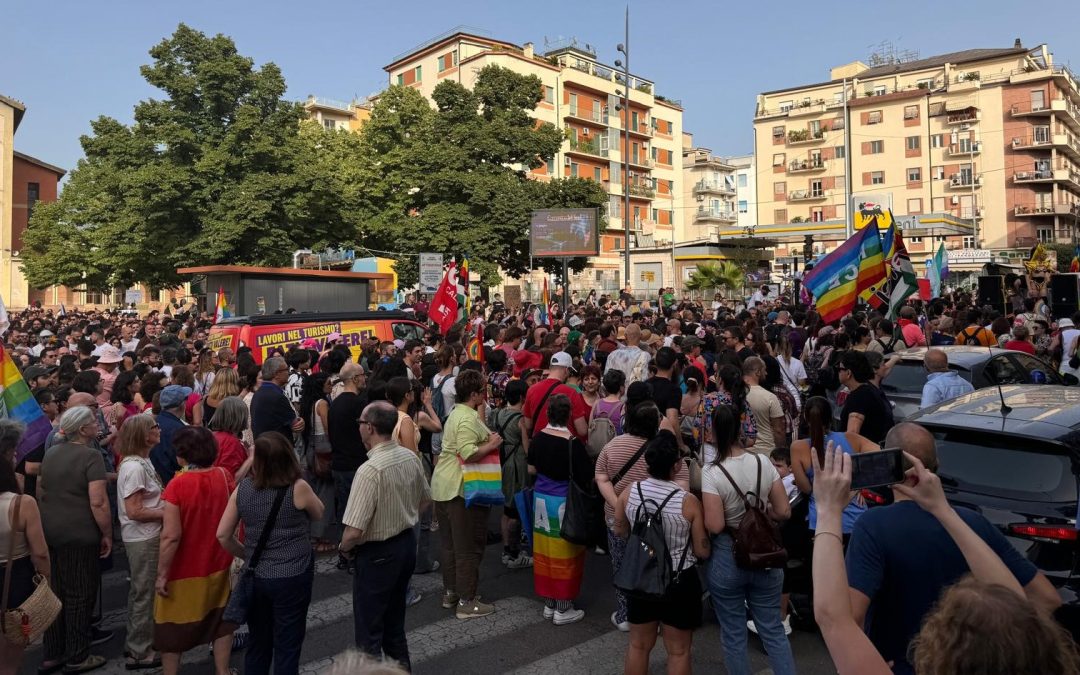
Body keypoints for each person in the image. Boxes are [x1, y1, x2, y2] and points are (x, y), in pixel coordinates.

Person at [815, 434, 1078, 675]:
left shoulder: (873, 525)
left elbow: (839, 619)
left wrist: (828, 510)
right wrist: (944, 511)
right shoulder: (975, 524)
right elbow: (1042, 599)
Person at [217, 431, 324, 675]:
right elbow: (319, 512)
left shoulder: (243, 489)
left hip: (257, 575)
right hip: (293, 573)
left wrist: (246, 554)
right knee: (288, 644)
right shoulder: (298, 488)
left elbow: (223, 535)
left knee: (259, 642)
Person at [701, 404, 795, 675]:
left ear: (714, 432)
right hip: (766, 553)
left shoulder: (712, 472)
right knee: (773, 630)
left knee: (733, 634)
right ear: (741, 429)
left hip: (728, 554)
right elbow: (783, 511)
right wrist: (762, 512)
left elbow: (715, 525)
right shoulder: (763, 462)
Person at [338, 401, 430, 670]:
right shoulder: (410, 457)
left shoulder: (369, 471)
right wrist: (405, 515)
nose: (359, 427)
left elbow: (354, 531)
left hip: (377, 554)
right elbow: (426, 499)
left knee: (369, 634)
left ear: (369, 427)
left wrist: (344, 548)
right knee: (394, 626)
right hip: (405, 544)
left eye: (360, 423)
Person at [614, 429, 710, 675]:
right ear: (676, 465)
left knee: (638, 645)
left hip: (641, 575)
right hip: (679, 580)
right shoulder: (688, 502)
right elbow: (701, 550)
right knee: (679, 651)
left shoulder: (630, 491)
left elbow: (619, 529)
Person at [154, 427, 236, 675]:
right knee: (221, 621)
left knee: (171, 627)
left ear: (183, 455)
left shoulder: (177, 485)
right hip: (219, 561)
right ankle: (222, 671)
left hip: (184, 568)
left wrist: (161, 574)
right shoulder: (223, 475)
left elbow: (171, 536)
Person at [38, 406, 112, 674]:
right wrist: (107, 533)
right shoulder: (91, 456)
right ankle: (78, 655)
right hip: (80, 532)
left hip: (51, 529)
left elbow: (42, 490)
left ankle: (53, 652)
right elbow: (98, 502)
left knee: (56, 592)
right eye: (93, 421)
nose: (97, 424)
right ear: (82, 429)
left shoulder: (51, 453)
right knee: (80, 594)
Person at [431, 369, 502, 619]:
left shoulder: (456, 413)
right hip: (460, 488)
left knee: (450, 545)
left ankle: (452, 592)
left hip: (444, 485)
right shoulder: (467, 418)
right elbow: (468, 452)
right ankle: (467, 601)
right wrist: (491, 444)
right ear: (473, 394)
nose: (485, 395)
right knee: (467, 547)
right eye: (482, 391)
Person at [528, 395, 592, 625]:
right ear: (569, 416)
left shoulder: (538, 438)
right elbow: (586, 475)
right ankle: (563, 607)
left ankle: (549, 603)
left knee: (544, 551)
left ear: (548, 414)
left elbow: (531, 468)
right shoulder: (573, 443)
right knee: (567, 553)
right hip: (564, 502)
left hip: (541, 500)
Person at [0, 420, 51, 675]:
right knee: (11, 659)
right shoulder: (23, 504)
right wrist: (46, 583)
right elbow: (40, 553)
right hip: (15, 581)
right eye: (14, 453)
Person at [115, 414, 165, 670]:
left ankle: (138, 641)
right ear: (144, 436)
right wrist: (167, 512)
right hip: (143, 537)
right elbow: (134, 511)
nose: (159, 429)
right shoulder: (134, 468)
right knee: (144, 592)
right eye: (155, 427)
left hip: (145, 535)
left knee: (141, 590)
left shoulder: (140, 461)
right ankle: (140, 650)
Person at [487, 379, 532, 569]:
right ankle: (514, 553)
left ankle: (506, 549)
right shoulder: (521, 419)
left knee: (506, 509)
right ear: (522, 397)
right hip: (517, 465)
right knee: (515, 510)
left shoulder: (499, 414)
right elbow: (527, 449)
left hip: (503, 463)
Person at [327, 362, 368, 528]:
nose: (365, 378)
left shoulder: (334, 404)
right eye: (363, 375)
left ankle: (344, 541)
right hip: (355, 465)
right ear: (355, 379)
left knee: (345, 512)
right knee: (359, 514)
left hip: (339, 465)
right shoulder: (359, 404)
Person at [522, 352, 589, 441]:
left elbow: (528, 425)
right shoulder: (571, 393)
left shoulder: (531, 390)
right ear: (566, 370)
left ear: (550, 368)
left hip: (539, 442)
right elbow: (582, 430)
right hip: (563, 444)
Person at [837, 350, 894, 444]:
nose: (838, 372)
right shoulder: (868, 391)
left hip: (865, 451)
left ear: (848, 373)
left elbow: (852, 435)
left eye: (840, 369)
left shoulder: (859, 396)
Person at [251, 357, 304, 440]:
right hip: (278, 445)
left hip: (264, 443)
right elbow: (296, 425)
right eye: (286, 369)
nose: (289, 372)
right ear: (276, 374)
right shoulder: (277, 396)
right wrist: (301, 421)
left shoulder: (258, 393)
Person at [149, 385, 192, 485]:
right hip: (176, 482)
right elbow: (186, 463)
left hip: (158, 482)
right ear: (182, 404)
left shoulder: (153, 423)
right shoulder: (180, 430)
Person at [742, 357, 785, 456]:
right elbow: (778, 430)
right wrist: (780, 452)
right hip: (766, 451)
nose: (766, 373)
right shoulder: (769, 397)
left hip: (742, 451)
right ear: (758, 372)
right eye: (764, 370)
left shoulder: (734, 394)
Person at [208, 396, 253, 480]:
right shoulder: (231, 443)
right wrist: (251, 458)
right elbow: (230, 480)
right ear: (240, 417)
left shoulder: (213, 436)